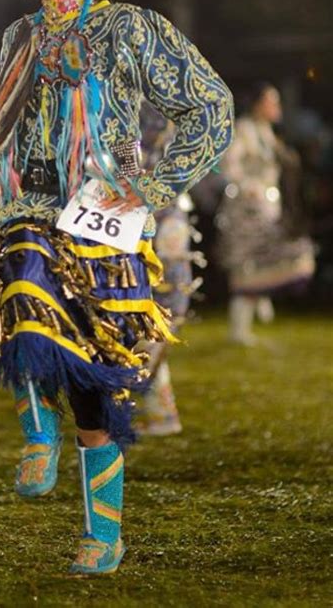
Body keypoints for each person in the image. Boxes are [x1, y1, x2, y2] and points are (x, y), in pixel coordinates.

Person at [0, 0, 234, 574]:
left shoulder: (128, 29)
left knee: (91, 389)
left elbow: (209, 105)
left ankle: (103, 534)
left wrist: (150, 184)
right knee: (19, 279)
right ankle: (35, 437)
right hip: (31, 211)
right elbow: (10, 119)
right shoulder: (17, 36)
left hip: (102, 221)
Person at [216, 82, 315, 345]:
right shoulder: (244, 130)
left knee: (278, 257)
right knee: (249, 265)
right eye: (272, 101)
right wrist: (249, 188)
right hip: (246, 213)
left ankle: (261, 297)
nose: (277, 107)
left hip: (268, 209)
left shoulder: (267, 133)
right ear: (258, 104)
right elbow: (228, 165)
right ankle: (240, 328)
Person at [136, 100, 204, 436]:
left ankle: (152, 410)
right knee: (148, 326)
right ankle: (160, 411)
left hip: (157, 224)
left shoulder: (153, 111)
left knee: (152, 323)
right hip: (154, 220)